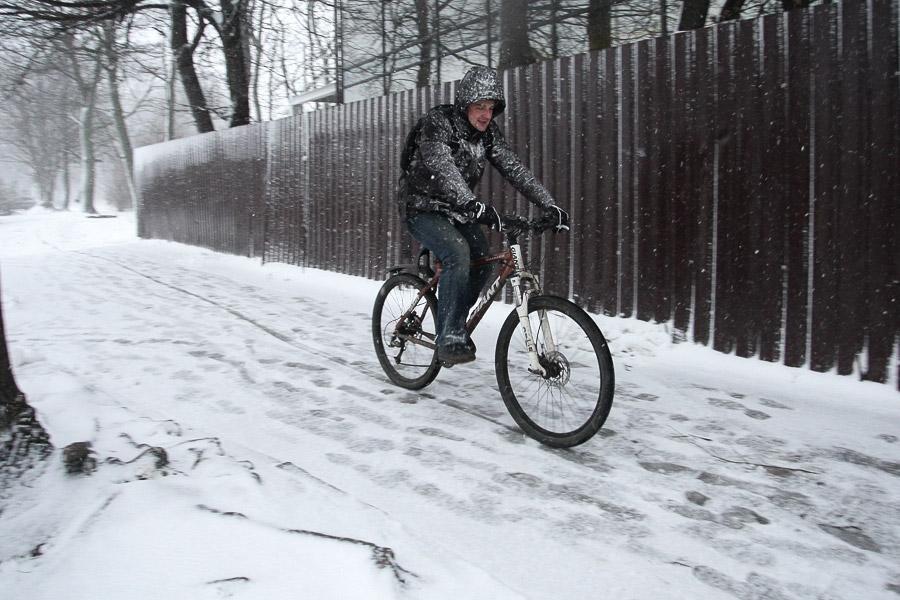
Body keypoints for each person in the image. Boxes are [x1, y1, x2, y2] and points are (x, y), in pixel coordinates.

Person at [397, 65, 569, 366]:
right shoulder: (439, 123)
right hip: (421, 207)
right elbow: (442, 167)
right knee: (457, 252)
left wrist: (548, 205)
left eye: (490, 108)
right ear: (465, 104)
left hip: (457, 210)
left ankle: (453, 320)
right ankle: (449, 335)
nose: (486, 114)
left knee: (483, 259)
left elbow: (514, 169)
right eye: (480, 107)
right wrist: (471, 203)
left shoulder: (487, 135)